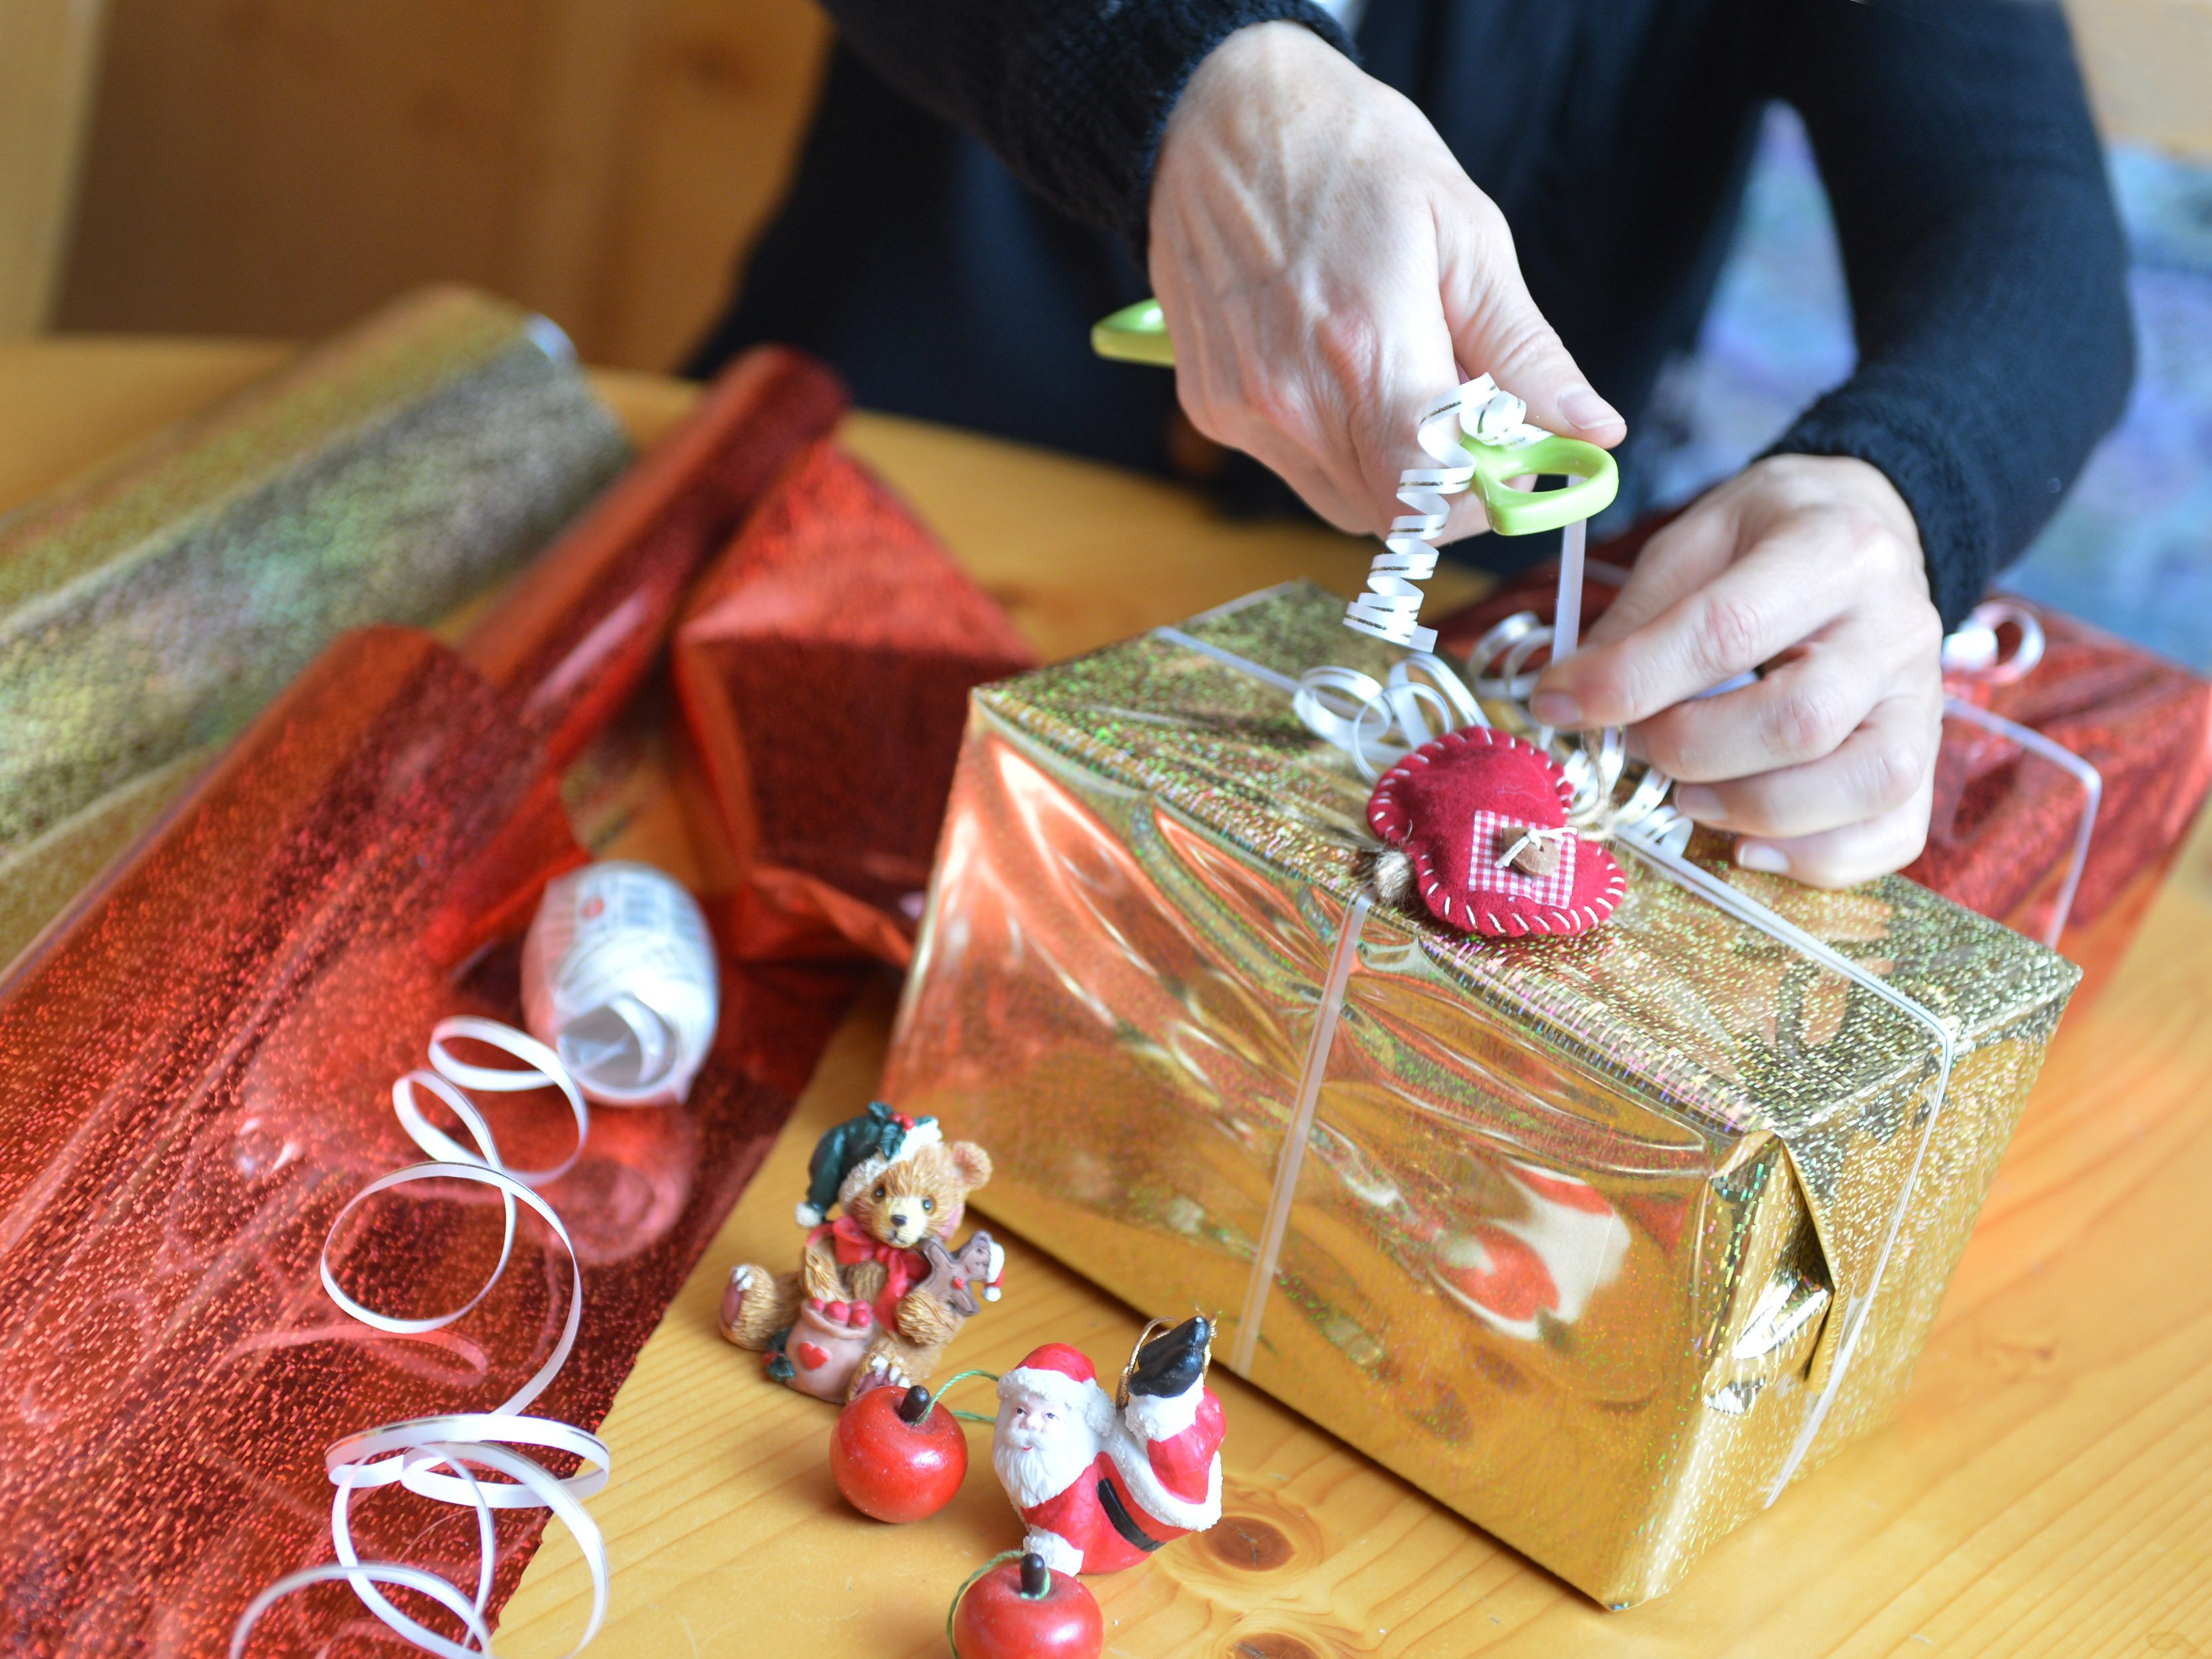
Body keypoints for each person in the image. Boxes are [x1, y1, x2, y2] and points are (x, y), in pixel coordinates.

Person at [692, 0, 2133, 889]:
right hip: (841, 538)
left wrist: (1899, 486)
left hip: (1412, 701)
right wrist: (1190, 72)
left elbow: (2019, 215)